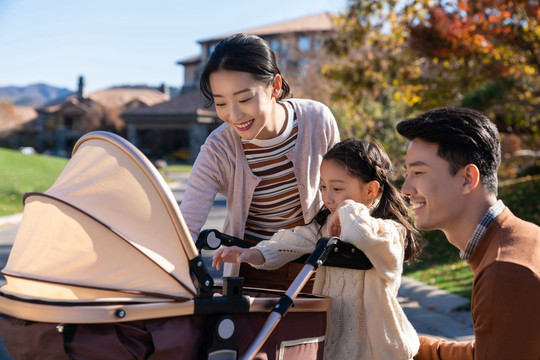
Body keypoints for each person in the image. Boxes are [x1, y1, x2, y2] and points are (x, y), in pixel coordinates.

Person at [213, 139, 422, 359]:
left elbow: (360, 235)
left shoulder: (390, 232)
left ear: (371, 190)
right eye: (323, 186)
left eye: (337, 188)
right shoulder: (324, 226)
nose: (328, 197)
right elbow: (291, 242)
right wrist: (253, 253)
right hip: (332, 343)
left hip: (378, 348)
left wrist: (346, 208)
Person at [179, 33, 340, 290]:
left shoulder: (316, 120)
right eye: (220, 103)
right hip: (250, 269)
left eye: (244, 99)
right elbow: (186, 226)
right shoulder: (218, 149)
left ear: (274, 86)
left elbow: (341, 192)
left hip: (314, 266)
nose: (234, 115)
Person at [397, 107, 540, 360]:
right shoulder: (524, 238)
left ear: (467, 178)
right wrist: (396, 342)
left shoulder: (504, 271)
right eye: (407, 173)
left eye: (418, 172)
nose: (406, 188)